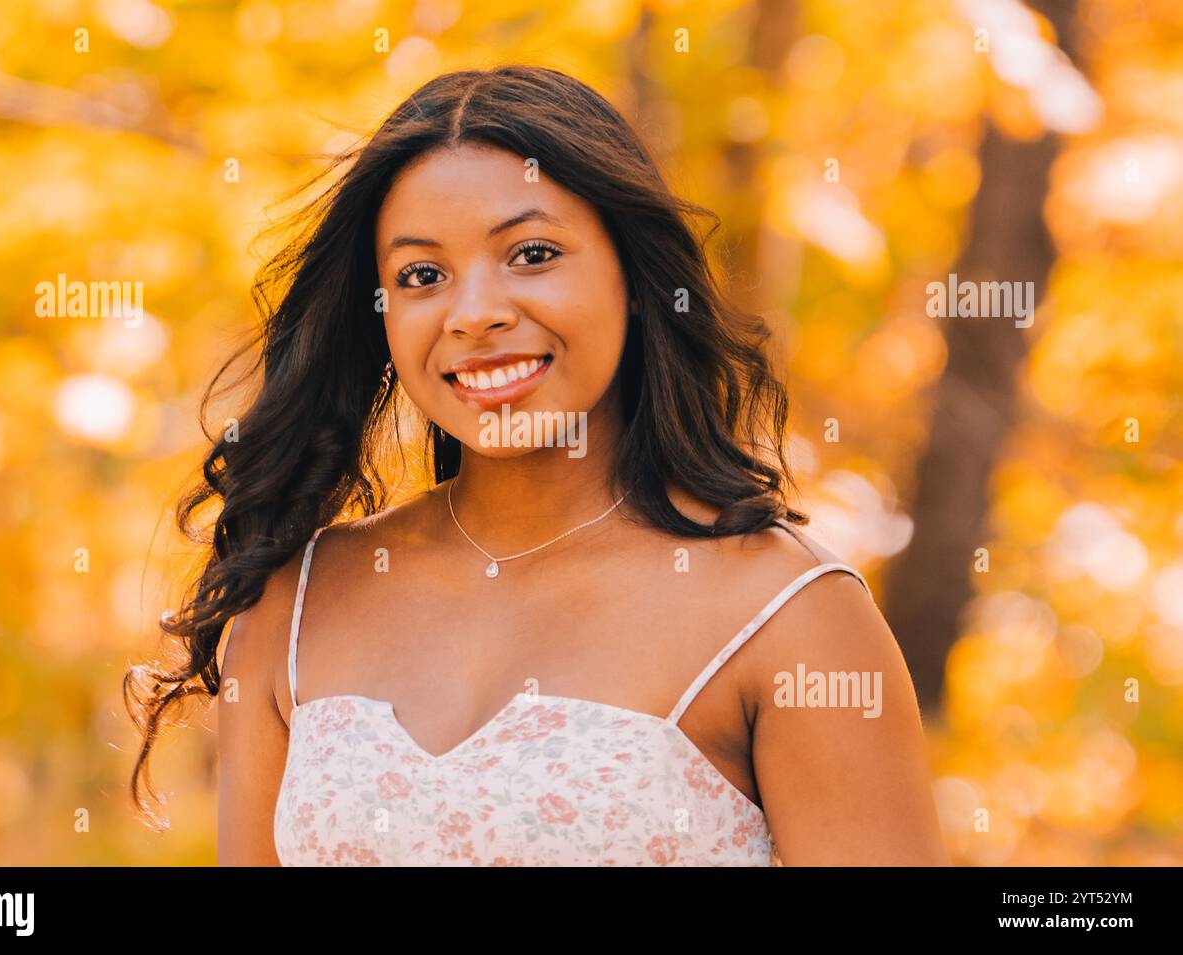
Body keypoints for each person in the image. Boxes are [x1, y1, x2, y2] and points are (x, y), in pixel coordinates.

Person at [128, 65, 947, 866]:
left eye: (531, 254)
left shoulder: (787, 617)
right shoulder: (296, 606)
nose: (476, 313)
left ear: (632, 275)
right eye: (422, 276)